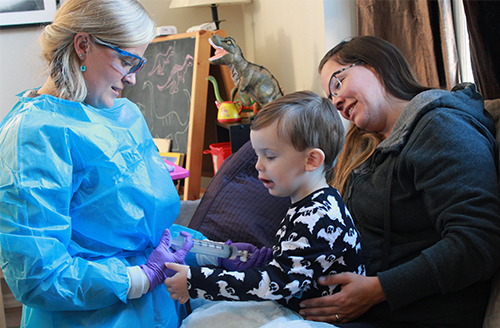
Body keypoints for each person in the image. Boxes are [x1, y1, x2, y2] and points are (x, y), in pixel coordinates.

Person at [0, 0, 199, 327]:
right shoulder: (34, 136)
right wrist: (138, 278)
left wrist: (217, 253)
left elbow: (149, 232)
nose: (133, 79)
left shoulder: (124, 114)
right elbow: (37, 275)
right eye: (125, 61)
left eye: (138, 64)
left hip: (160, 307)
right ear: (83, 45)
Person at [297, 36, 500, 327]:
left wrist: (377, 290)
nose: (337, 102)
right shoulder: (362, 146)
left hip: (414, 314)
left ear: (377, 67)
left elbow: (478, 242)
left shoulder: (440, 127)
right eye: (330, 98)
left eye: (337, 83)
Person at [165, 91, 365, 313]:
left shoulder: (318, 216)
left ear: (311, 160)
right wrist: (260, 259)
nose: (258, 166)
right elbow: (299, 263)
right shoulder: (312, 203)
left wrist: (197, 280)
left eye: (269, 156)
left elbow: (279, 283)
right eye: (258, 156)